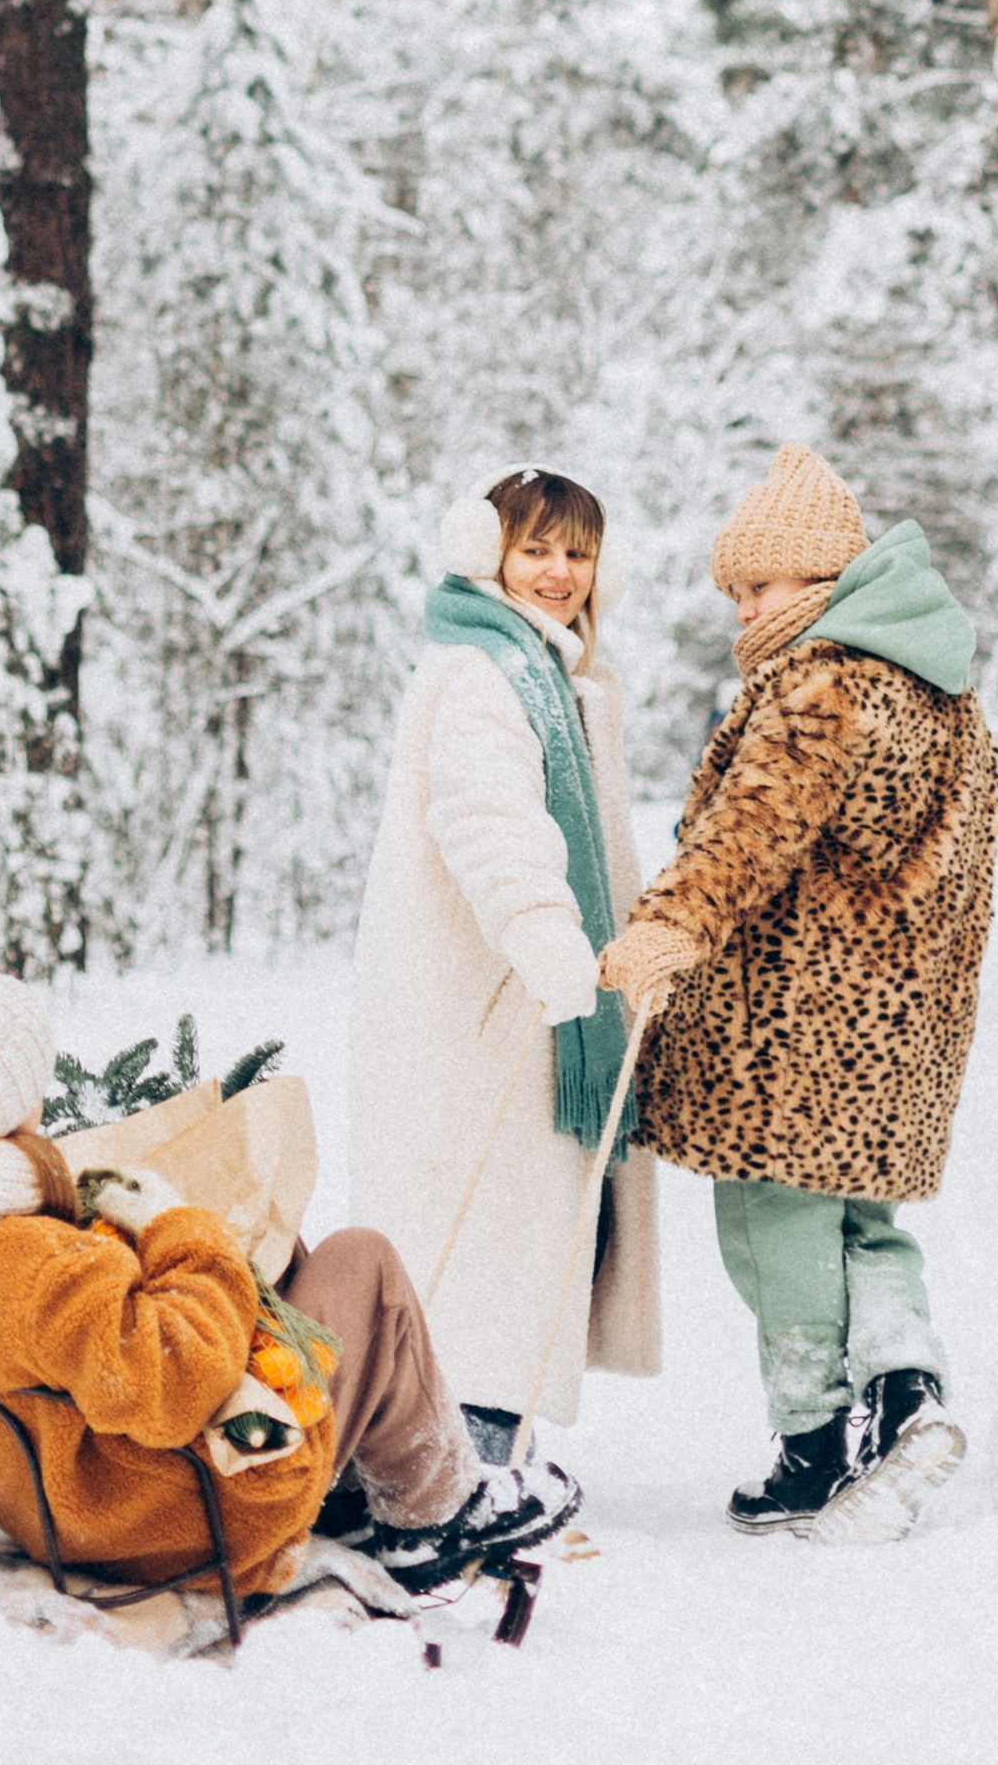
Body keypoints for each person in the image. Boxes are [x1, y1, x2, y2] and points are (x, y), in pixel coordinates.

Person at [0, 940, 578, 1598]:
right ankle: (438, 1515)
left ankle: (355, 1488)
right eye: (24, 1091)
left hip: (60, 1513)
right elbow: (179, 1378)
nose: (37, 1108)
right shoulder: (33, 1264)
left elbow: (37, 1342)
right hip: (184, 1521)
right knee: (363, 1263)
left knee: (292, 1276)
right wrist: (175, 1228)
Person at [599, 444, 998, 1540]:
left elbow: (751, 827)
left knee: (770, 1222)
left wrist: (666, 928)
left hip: (792, 1025)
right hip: (896, 1024)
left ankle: (813, 1444)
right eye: (735, 590)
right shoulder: (942, 695)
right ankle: (905, 1387)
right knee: (859, 1219)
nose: (744, 611)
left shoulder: (821, 683)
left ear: (825, 580)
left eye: (761, 586)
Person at [353, 468, 662, 1458]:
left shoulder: (544, 671)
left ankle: (477, 1452)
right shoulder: (489, 676)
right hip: (489, 1007)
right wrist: (556, 951)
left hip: (522, 999)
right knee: (486, 1242)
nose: (558, 572)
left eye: (577, 552)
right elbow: (490, 829)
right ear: (487, 552)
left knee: (512, 1242)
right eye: (535, 549)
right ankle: (456, 1466)